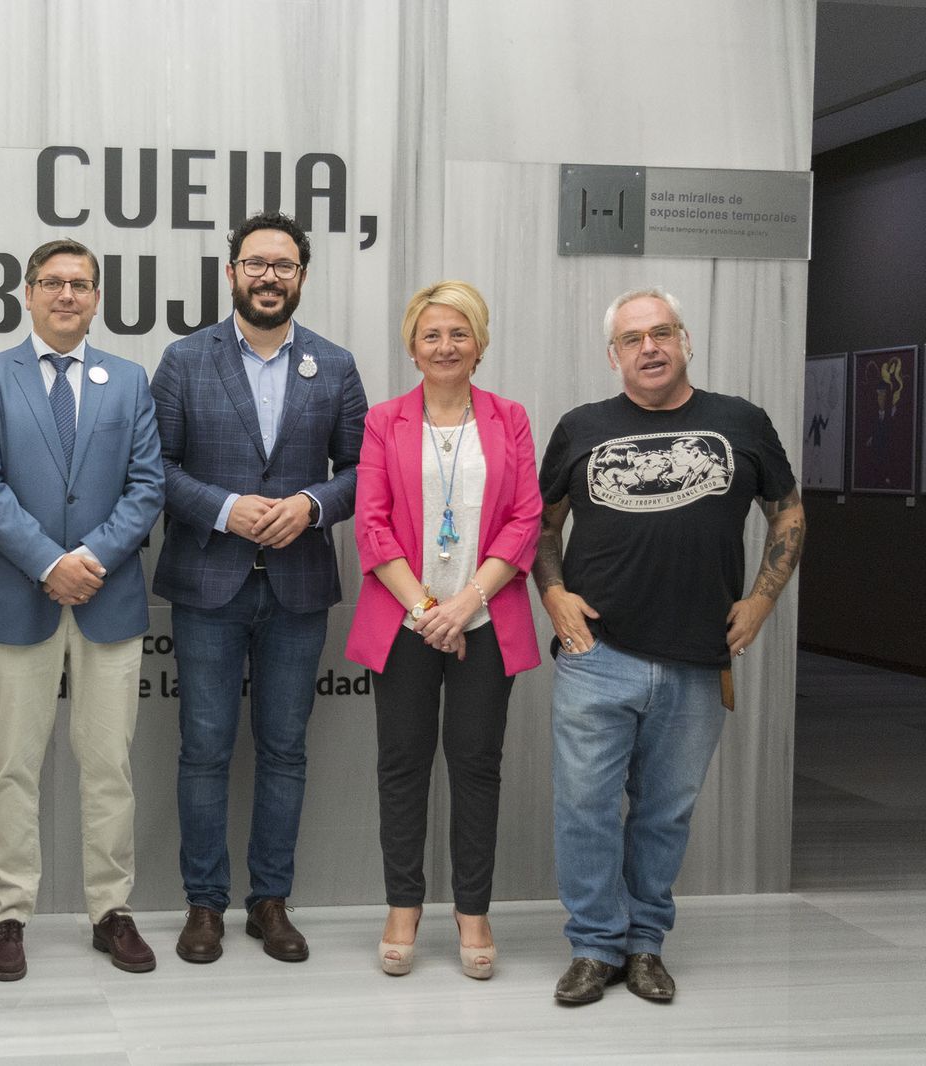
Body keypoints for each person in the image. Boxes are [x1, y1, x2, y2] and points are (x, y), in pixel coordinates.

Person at [534, 287, 805, 1005]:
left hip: (697, 658)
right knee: (584, 807)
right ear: (613, 354)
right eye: (632, 338)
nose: (649, 347)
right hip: (597, 654)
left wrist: (762, 597)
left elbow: (788, 510)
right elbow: (540, 525)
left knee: (664, 812)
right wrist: (554, 595)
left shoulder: (740, 422)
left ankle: (646, 943)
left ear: (684, 340)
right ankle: (595, 946)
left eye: (662, 333)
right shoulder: (581, 427)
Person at [151, 211, 367, 964]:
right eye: (255, 263)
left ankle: (269, 901)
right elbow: (158, 469)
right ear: (231, 273)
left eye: (283, 265)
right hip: (208, 580)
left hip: (299, 583)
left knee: (284, 749)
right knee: (204, 749)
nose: (268, 276)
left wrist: (310, 506)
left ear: (301, 277)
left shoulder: (335, 366)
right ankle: (204, 905)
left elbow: (363, 473)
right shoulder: (183, 360)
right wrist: (223, 507)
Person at [0, 239, 165, 981]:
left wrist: (92, 561)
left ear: (98, 297)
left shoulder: (128, 380)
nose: (67, 294)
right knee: (12, 766)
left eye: (81, 284)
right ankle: (10, 913)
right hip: (19, 597)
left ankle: (110, 911)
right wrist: (49, 562)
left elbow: (146, 487)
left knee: (108, 764)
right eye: (53, 282)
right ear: (28, 292)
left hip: (107, 599)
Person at [344, 281, 541, 979]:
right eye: (432, 335)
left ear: (480, 344)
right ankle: (403, 906)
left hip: (486, 617)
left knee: (476, 766)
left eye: (459, 334)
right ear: (412, 345)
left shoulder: (510, 418)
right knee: (401, 765)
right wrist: (430, 611)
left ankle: (472, 911)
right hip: (405, 621)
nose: (445, 346)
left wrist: (467, 605)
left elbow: (526, 518)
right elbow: (370, 522)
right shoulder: (385, 421)